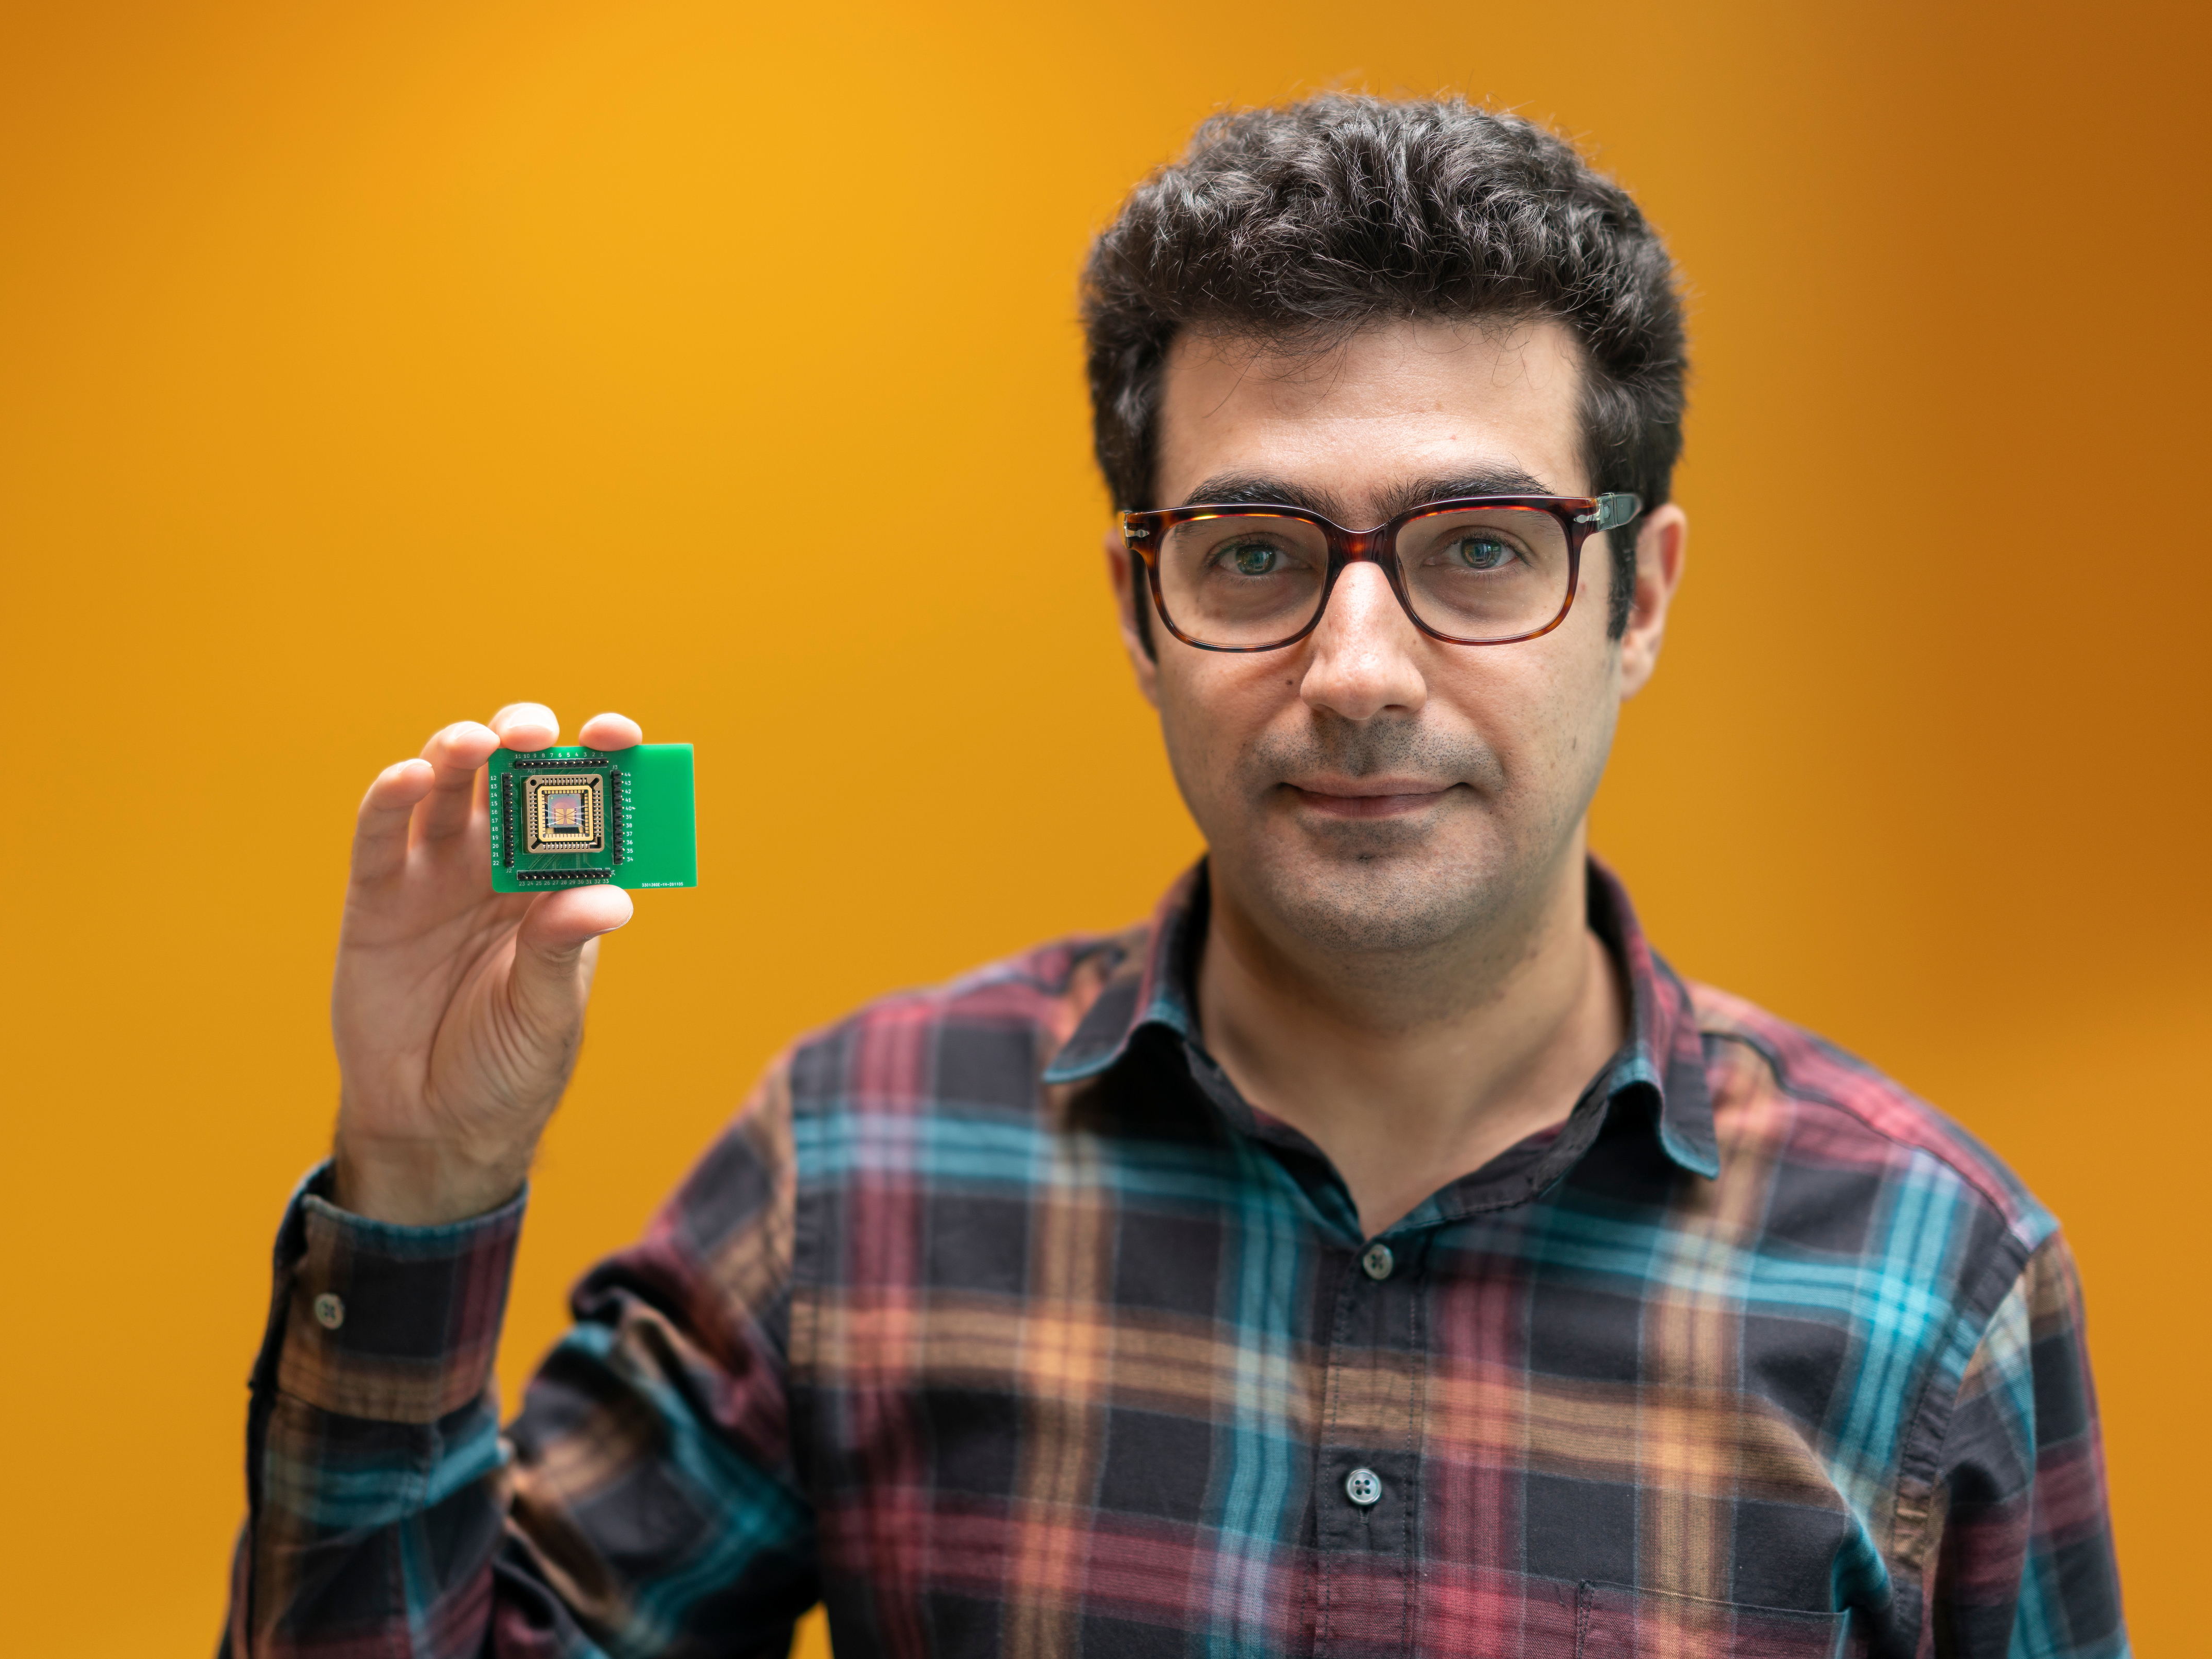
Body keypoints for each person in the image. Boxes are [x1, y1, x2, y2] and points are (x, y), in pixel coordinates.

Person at [221, 96, 2124, 1658]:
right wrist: (424, 1189)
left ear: (1640, 598)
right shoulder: (863, 1168)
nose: (1359, 671)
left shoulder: (1935, 1276)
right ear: (1144, 605)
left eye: (1478, 550)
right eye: (1252, 553)